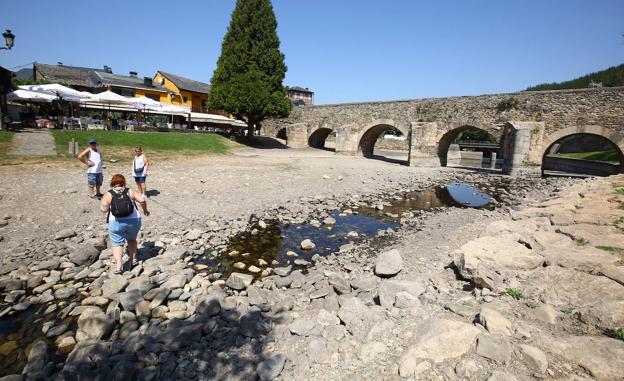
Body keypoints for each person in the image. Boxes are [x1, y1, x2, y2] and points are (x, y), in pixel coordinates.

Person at [100, 174, 150, 274]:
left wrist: (107, 206)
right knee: (132, 240)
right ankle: (134, 259)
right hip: (134, 221)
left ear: (112, 183)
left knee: (117, 243)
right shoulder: (130, 191)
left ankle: (119, 266)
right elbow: (142, 200)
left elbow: (103, 210)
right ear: (124, 182)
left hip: (116, 222)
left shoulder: (108, 194)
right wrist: (145, 210)